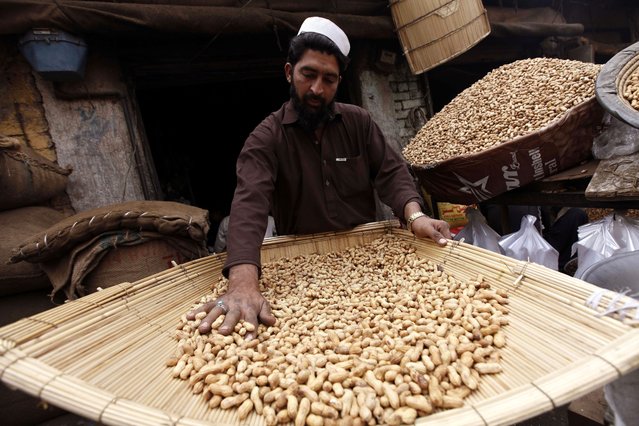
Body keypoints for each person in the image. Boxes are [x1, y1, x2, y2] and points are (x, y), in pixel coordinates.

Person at [187, 16, 451, 339]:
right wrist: (242, 282)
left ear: (339, 81)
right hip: (300, 263)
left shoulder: (359, 123)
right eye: (308, 75)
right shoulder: (266, 138)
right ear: (289, 72)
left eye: (329, 79)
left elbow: (391, 172)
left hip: (368, 259)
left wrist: (415, 215)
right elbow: (249, 204)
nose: (317, 89)